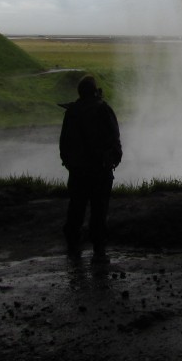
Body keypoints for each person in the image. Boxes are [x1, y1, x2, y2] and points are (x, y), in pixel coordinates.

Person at [59, 75, 122, 263]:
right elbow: (114, 138)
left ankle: (73, 246)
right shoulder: (103, 109)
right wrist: (113, 160)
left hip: (78, 171)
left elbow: (64, 143)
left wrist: (69, 163)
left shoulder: (72, 112)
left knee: (76, 208)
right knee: (99, 209)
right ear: (95, 91)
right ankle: (98, 249)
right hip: (100, 171)